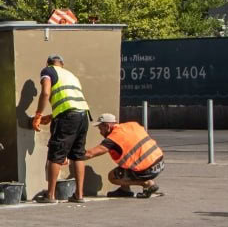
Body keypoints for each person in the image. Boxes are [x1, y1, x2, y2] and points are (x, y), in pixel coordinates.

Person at [30, 54, 90, 204]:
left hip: (67, 116)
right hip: (83, 115)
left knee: (56, 153)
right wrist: (52, 116)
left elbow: (45, 92)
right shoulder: (71, 75)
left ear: (48, 63)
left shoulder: (48, 71)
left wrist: (38, 114)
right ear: (62, 64)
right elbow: (70, 101)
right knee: (78, 154)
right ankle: (79, 195)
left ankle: (50, 195)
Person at [85, 113, 165, 198]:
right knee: (125, 162)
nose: (100, 132)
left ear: (107, 126)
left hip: (147, 170)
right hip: (160, 163)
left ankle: (147, 183)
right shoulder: (132, 125)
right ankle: (125, 190)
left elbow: (90, 154)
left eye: (100, 128)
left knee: (112, 177)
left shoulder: (112, 139)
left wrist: (76, 156)